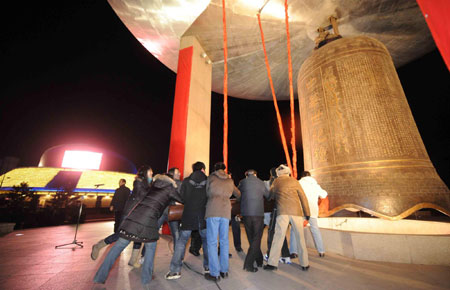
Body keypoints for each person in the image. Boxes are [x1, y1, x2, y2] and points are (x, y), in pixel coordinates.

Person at [93, 166, 183, 285]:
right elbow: (182, 200)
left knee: (118, 246)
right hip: (148, 221)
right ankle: (146, 279)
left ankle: (99, 277)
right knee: (151, 247)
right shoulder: (170, 188)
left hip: (133, 219)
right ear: (171, 181)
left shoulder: (152, 186)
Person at [166, 161, 209, 280]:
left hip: (188, 216)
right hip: (203, 217)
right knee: (206, 242)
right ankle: (208, 267)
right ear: (203, 170)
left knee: (181, 242)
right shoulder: (208, 180)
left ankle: (175, 271)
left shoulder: (186, 181)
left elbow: (182, 198)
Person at [264, 164, 311, 271]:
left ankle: (272, 264)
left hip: (282, 212)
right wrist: (307, 213)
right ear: (288, 172)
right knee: (300, 238)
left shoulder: (276, 182)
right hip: (296, 212)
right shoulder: (295, 181)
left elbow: (270, 196)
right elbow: (303, 197)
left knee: (278, 237)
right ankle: (305, 264)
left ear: (278, 173)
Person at [90, 179, 142, 265]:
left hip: (129, 211)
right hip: (129, 212)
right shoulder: (136, 188)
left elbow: (120, 199)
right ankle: (99, 245)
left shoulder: (127, 189)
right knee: (121, 233)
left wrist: (112, 205)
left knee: (139, 235)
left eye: (120, 182)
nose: (119, 183)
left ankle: (133, 259)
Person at [204, 162, 241, 282]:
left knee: (212, 242)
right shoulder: (230, 181)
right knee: (224, 241)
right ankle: (224, 270)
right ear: (224, 169)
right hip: (226, 211)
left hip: (213, 210)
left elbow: (207, 193)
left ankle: (214, 273)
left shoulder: (211, 178)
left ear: (215, 169)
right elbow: (239, 194)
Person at [238, 169, 269, 272]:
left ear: (247, 175)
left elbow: (238, 195)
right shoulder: (261, 182)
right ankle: (248, 264)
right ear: (256, 174)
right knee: (256, 238)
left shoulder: (242, 182)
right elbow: (268, 196)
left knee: (252, 238)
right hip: (258, 214)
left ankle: (259, 260)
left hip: (246, 214)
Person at [264, 167, 291, 264]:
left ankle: (270, 254)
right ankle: (286, 255)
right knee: (281, 232)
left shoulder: (273, 182)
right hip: (287, 209)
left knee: (271, 231)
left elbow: (270, 196)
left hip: (275, 210)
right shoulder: (287, 181)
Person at [299, 171, 327, 257]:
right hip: (313, 210)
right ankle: (321, 251)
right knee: (315, 230)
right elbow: (324, 194)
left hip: (302, 210)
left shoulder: (299, 183)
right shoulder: (315, 185)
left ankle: (295, 251)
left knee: (296, 230)